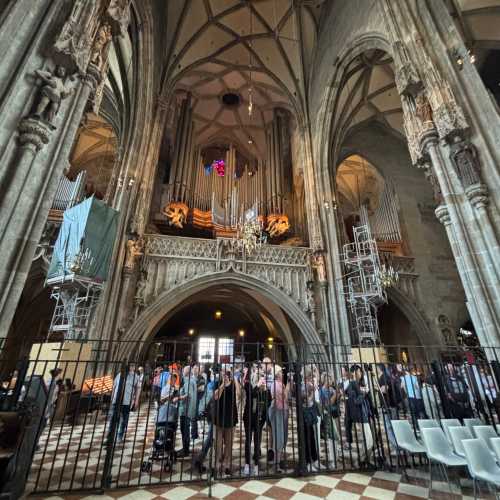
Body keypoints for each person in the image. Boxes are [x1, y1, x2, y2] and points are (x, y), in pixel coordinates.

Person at [242, 365, 269, 476]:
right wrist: (258, 386)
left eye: (261, 376)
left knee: (257, 441)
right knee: (248, 440)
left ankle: (257, 465)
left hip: (258, 417)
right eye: (257, 375)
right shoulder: (248, 385)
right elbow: (251, 394)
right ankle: (247, 464)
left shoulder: (262, 387)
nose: (259, 378)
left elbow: (268, 401)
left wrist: (265, 390)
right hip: (248, 417)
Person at [214, 370, 240, 476]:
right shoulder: (218, 382)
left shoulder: (234, 383)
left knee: (229, 444)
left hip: (230, 417)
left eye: (226, 372)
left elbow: (239, 395)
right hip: (219, 417)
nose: (224, 374)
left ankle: (227, 465)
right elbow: (216, 397)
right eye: (222, 372)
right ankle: (216, 464)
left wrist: (235, 379)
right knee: (218, 443)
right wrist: (222, 385)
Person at [346, 365, 373, 467]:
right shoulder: (352, 385)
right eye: (357, 372)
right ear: (352, 373)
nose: (359, 374)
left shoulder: (361, 384)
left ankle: (365, 460)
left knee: (367, 439)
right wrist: (363, 393)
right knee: (368, 440)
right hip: (359, 416)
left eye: (360, 372)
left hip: (366, 414)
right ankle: (362, 459)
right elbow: (355, 401)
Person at [106, 364, 140, 444]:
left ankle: (120, 436)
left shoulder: (135, 377)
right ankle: (109, 438)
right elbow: (114, 386)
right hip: (116, 400)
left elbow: (137, 388)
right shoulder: (119, 374)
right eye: (130, 366)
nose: (131, 368)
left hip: (126, 401)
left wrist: (136, 400)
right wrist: (112, 397)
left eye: (132, 366)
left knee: (124, 420)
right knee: (113, 419)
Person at [268, 369, 289, 473]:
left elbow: (286, 397)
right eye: (281, 372)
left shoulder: (281, 384)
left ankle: (279, 460)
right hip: (278, 411)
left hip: (283, 410)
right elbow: (283, 397)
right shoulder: (275, 384)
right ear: (277, 375)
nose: (283, 373)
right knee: (278, 436)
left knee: (283, 436)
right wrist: (288, 385)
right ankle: (276, 463)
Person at [178, 365, 199, 457]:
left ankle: (185, 450)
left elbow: (188, 395)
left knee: (185, 430)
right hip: (190, 409)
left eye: (183, 370)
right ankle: (185, 448)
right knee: (186, 429)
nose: (182, 372)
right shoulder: (193, 380)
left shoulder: (188, 381)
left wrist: (178, 398)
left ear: (186, 372)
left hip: (185, 410)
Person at [302, 367, 320, 472]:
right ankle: (308, 462)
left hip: (311, 412)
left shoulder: (310, 384)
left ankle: (315, 459)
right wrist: (311, 392)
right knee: (307, 438)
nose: (311, 377)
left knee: (312, 436)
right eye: (310, 375)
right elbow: (305, 399)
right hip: (305, 413)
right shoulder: (303, 385)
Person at [319, 372, 339, 469]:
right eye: (330, 379)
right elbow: (327, 404)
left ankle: (335, 456)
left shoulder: (330, 389)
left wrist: (337, 395)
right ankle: (332, 460)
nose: (331, 381)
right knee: (333, 436)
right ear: (325, 380)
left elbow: (335, 401)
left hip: (333, 414)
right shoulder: (322, 390)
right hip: (327, 415)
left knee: (334, 437)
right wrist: (335, 394)